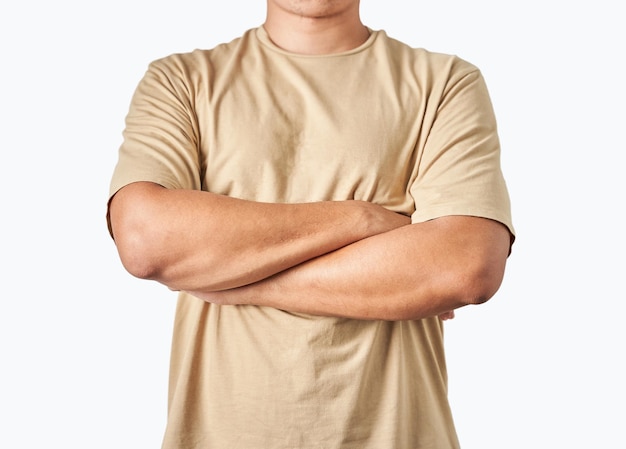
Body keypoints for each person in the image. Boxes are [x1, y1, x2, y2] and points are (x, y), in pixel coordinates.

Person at [107, 1, 515, 447]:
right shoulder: (180, 81)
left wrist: (237, 281)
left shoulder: (446, 83)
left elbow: (466, 266)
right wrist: (360, 219)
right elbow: (146, 239)